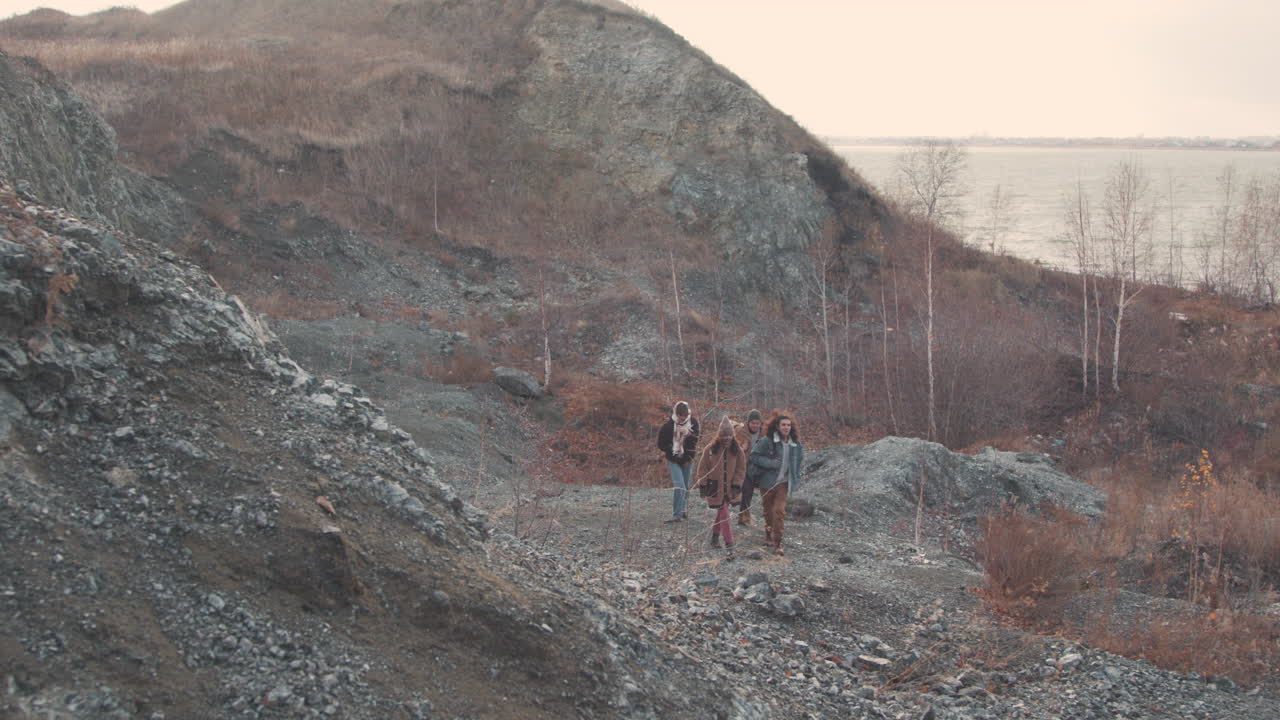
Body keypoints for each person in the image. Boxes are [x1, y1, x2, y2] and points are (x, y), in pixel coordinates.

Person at [747, 414, 803, 556]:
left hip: (783, 483)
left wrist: (796, 477)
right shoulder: (767, 441)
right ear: (777, 426)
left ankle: (778, 543)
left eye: (788, 425)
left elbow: (799, 461)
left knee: (779, 511)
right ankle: (767, 534)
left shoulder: (795, 444)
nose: (786, 427)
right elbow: (754, 456)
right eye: (783, 425)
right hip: (767, 481)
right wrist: (771, 463)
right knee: (768, 511)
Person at [693, 416, 746, 555]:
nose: (727, 438)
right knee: (724, 514)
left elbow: (741, 469)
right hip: (714, 487)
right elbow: (702, 468)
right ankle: (730, 546)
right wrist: (703, 484)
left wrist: (737, 485)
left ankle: (715, 538)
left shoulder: (737, 450)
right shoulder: (710, 449)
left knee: (722, 514)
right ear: (719, 435)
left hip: (730, 489)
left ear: (732, 435)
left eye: (729, 435)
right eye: (724, 435)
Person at [656, 401, 699, 523]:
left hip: (688, 459)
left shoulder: (694, 424)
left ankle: (683, 509)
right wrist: (672, 449)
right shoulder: (668, 427)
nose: (682, 418)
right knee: (679, 486)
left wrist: (687, 458)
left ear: (687, 414)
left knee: (686, 486)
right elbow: (661, 444)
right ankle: (676, 514)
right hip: (673, 459)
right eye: (680, 415)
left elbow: (694, 443)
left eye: (684, 415)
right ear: (676, 413)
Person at [734, 409, 765, 526]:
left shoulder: (764, 433)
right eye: (753, 423)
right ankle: (743, 517)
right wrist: (743, 448)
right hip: (744, 466)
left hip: (758, 467)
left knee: (751, 492)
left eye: (757, 423)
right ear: (748, 423)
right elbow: (734, 450)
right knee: (747, 490)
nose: (755, 425)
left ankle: (746, 516)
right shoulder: (741, 432)